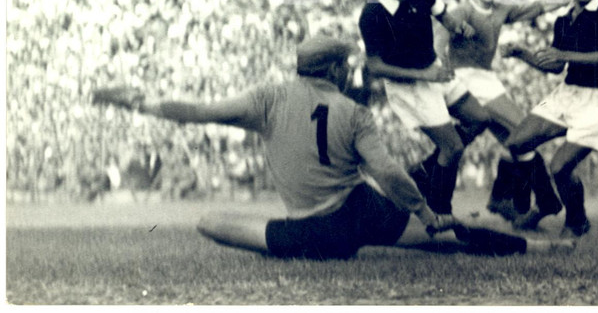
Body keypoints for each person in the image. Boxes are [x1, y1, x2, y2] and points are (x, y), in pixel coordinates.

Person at [94, 38, 572, 259]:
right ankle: (534, 246)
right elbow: (387, 173)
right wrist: (427, 215)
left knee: (208, 222)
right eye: (346, 67)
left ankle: (500, 235)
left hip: (314, 231)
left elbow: (198, 112)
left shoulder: (268, 98)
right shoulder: (352, 110)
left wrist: (140, 103)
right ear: (334, 71)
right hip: (363, 212)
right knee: (445, 240)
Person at [411, 0, 565, 225]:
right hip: (467, 79)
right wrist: (441, 69)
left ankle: (504, 199)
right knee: (524, 129)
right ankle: (524, 199)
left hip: (487, 80)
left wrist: (566, 0)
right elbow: (439, 39)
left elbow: (533, 8)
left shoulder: (500, 10)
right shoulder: (462, 12)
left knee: (516, 141)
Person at [358, 0, 492, 216]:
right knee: (452, 147)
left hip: (433, 71)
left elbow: (442, 14)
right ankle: (440, 212)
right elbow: (375, 66)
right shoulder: (372, 13)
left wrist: (458, 26)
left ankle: (423, 171)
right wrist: (424, 74)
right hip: (409, 85)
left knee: (480, 119)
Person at [503, 0, 598, 238]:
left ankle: (577, 221)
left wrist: (565, 54)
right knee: (517, 142)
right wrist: (522, 53)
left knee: (560, 167)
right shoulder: (563, 20)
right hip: (568, 92)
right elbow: (557, 65)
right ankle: (547, 202)